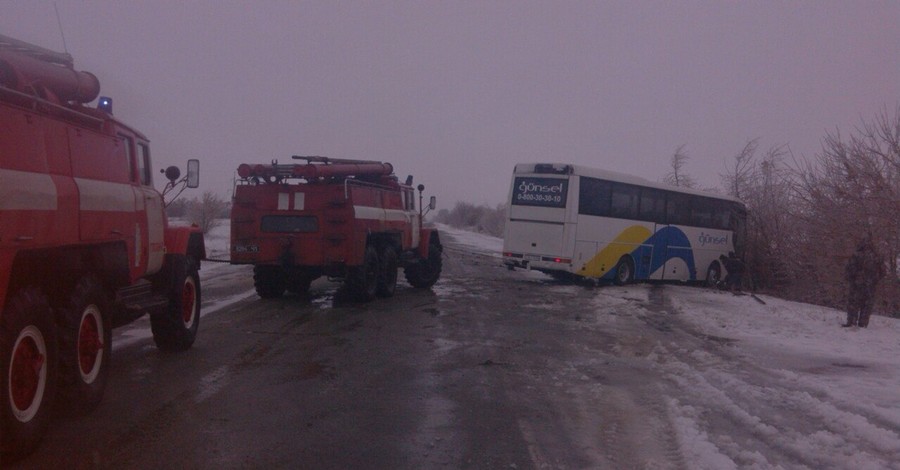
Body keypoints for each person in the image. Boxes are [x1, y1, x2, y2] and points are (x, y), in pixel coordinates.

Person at [843, 237, 885, 328]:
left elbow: (850, 269)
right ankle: (863, 323)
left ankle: (852, 322)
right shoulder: (877, 257)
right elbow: (883, 272)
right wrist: (874, 279)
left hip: (857, 284)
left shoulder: (857, 255)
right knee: (867, 305)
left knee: (853, 303)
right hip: (870, 285)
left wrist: (851, 278)